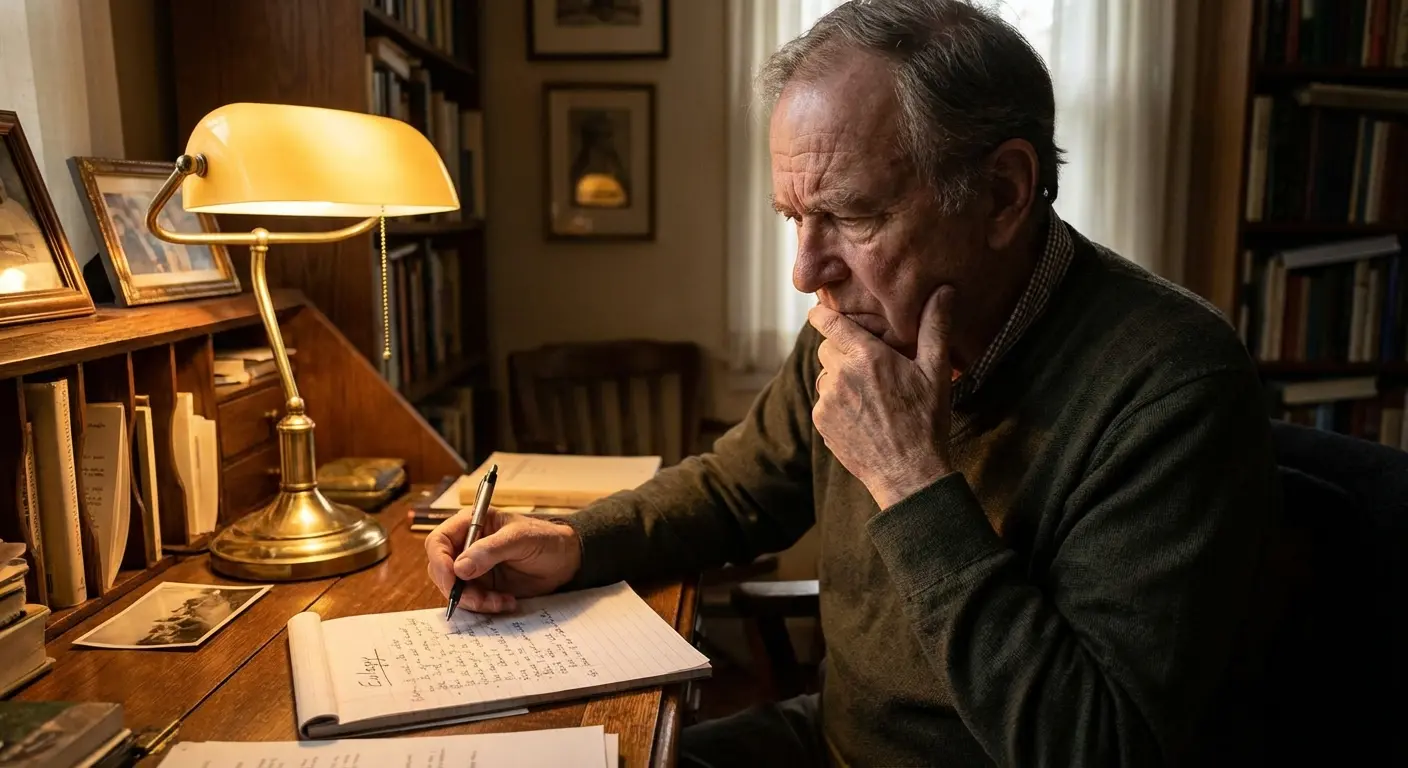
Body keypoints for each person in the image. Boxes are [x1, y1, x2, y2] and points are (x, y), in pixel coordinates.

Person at [426, 1, 1278, 765]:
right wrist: (575, 543)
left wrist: (910, 474)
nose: (806, 272)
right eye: (796, 217)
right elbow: (735, 489)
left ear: (1003, 191)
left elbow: (1097, 742)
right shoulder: (863, 315)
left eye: (855, 216)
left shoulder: (1173, 382)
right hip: (825, 736)